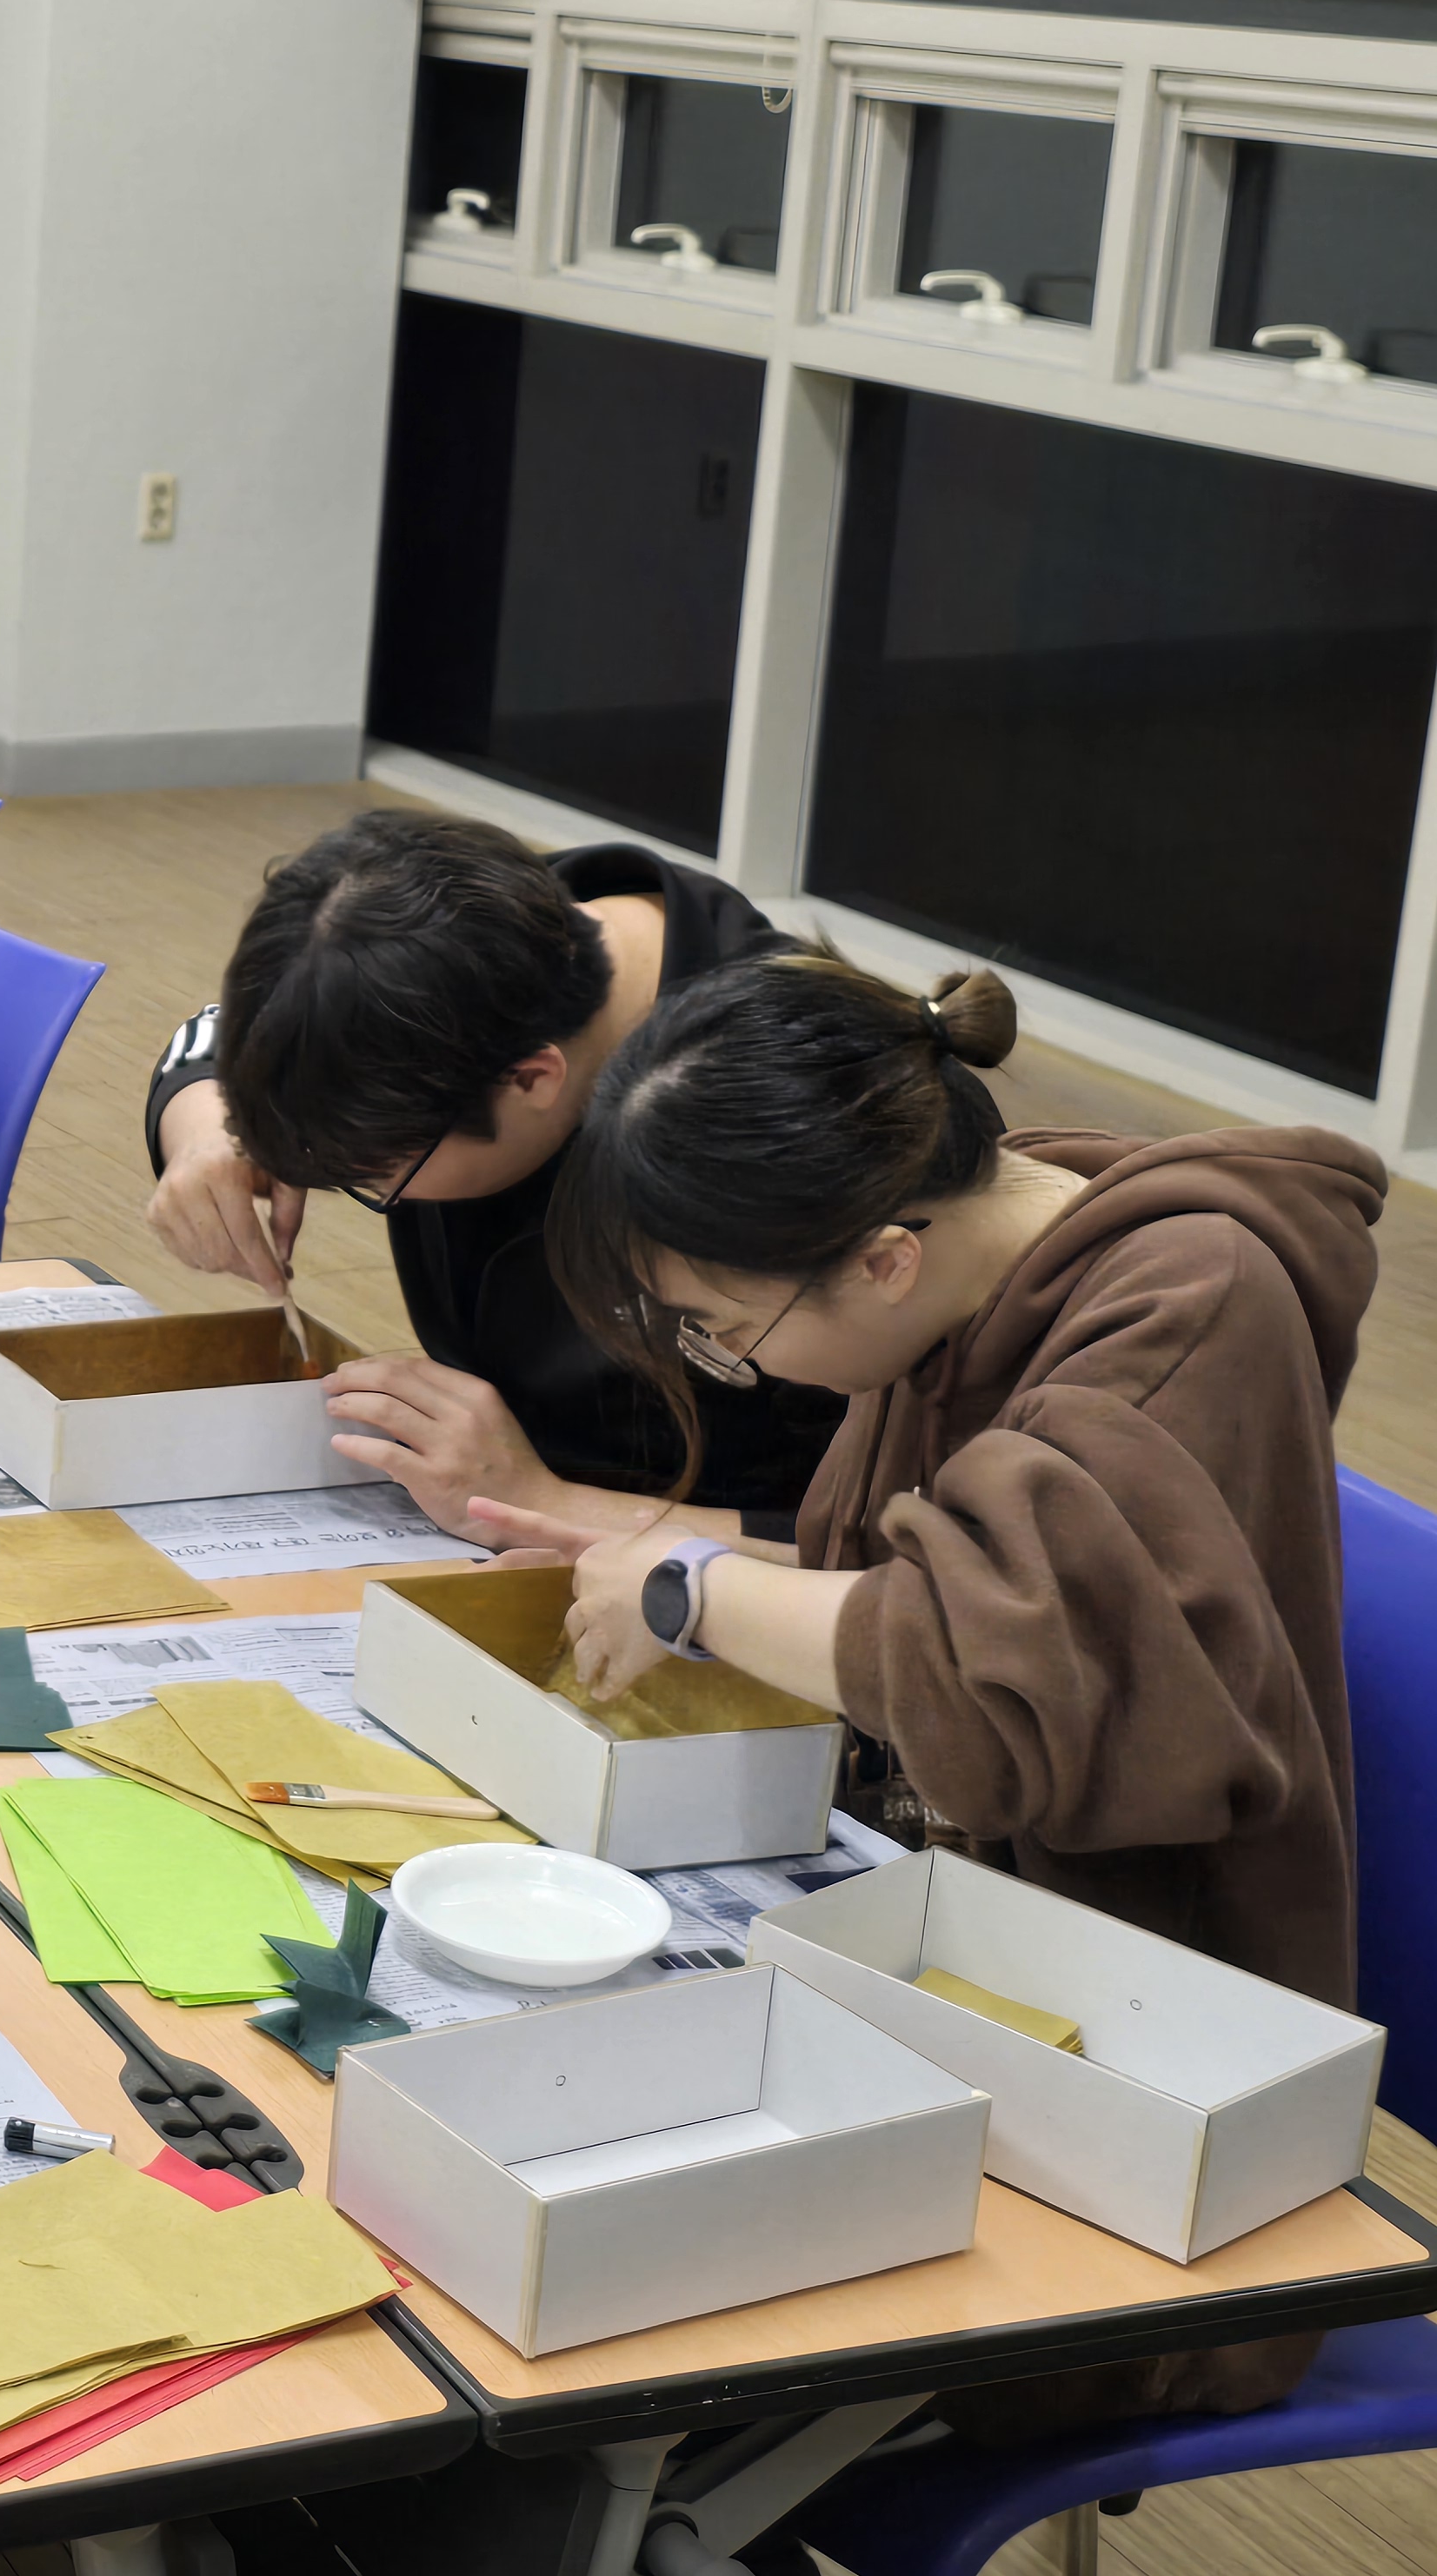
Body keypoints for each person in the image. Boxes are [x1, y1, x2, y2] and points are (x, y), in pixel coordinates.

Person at [494, 953, 1380, 2431]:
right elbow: (895, 1587)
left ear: (884, 1259)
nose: (733, 1364)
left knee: (585, 2318)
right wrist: (671, 1570)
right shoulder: (960, 1269)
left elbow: (987, 1682)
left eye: (726, 1329)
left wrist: (693, 1588)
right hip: (945, 1948)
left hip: (1135, 2085)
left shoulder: (1187, 1306)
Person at [143, 812, 842, 1541]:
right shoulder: (469, 923)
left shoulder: (801, 1127)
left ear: (533, 1079)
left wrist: (541, 1503)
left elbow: (881, 1558)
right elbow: (227, 1032)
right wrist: (211, 1129)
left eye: (376, 1178)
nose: (377, 1191)